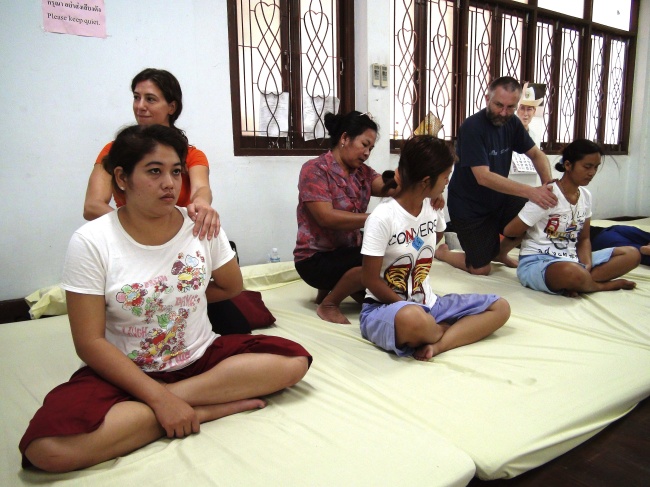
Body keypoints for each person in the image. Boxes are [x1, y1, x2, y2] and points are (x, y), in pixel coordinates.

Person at [20, 125, 311, 473]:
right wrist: (156, 397)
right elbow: (89, 342)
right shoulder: (91, 241)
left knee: (293, 361)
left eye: (176, 171)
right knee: (46, 450)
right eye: (154, 171)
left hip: (199, 358)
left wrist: (167, 397)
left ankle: (170, 404)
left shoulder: (201, 225)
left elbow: (231, 286)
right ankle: (204, 409)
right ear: (122, 178)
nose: (170, 183)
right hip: (126, 372)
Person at [360, 135, 510, 361]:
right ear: (425, 181)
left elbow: (430, 240)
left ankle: (437, 344)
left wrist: (435, 197)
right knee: (413, 319)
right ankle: (444, 328)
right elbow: (370, 279)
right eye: (446, 176)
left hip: (429, 303)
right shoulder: (382, 217)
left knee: (500, 307)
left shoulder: (432, 208)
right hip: (386, 308)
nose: (448, 182)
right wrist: (410, 308)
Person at [435, 76, 557, 275]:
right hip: (469, 206)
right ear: (487, 99)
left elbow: (537, 155)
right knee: (481, 269)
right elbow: (483, 177)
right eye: (499, 105)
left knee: (536, 211)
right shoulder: (472, 127)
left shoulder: (512, 123)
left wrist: (548, 187)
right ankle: (443, 253)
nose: (504, 112)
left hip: (498, 199)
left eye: (511, 107)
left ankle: (500, 253)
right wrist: (531, 191)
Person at [83, 68, 220, 240]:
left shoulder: (192, 155)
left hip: (179, 239)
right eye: (136, 97)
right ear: (121, 177)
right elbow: (92, 206)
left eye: (150, 99)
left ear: (171, 107)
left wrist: (201, 203)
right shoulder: (115, 150)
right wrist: (135, 228)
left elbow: (201, 189)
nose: (140, 106)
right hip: (130, 239)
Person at [503, 139, 640, 296]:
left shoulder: (585, 196)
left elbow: (584, 239)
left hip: (573, 259)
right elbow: (510, 231)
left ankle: (580, 282)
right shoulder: (547, 195)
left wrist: (587, 264)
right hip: (539, 262)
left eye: (596, 167)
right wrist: (533, 211)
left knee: (632, 254)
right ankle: (599, 285)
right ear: (568, 165)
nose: (592, 172)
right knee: (570, 272)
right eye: (587, 166)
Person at [293, 110, 384, 325]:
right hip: (314, 262)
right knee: (376, 257)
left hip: (344, 254)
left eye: (371, 149)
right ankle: (329, 304)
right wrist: (376, 218)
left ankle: (328, 291)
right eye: (364, 144)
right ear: (345, 138)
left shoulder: (363, 172)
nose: (367, 153)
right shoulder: (315, 170)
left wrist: (424, 184)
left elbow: (389, 186)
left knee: (379, 297)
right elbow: (326, 218)